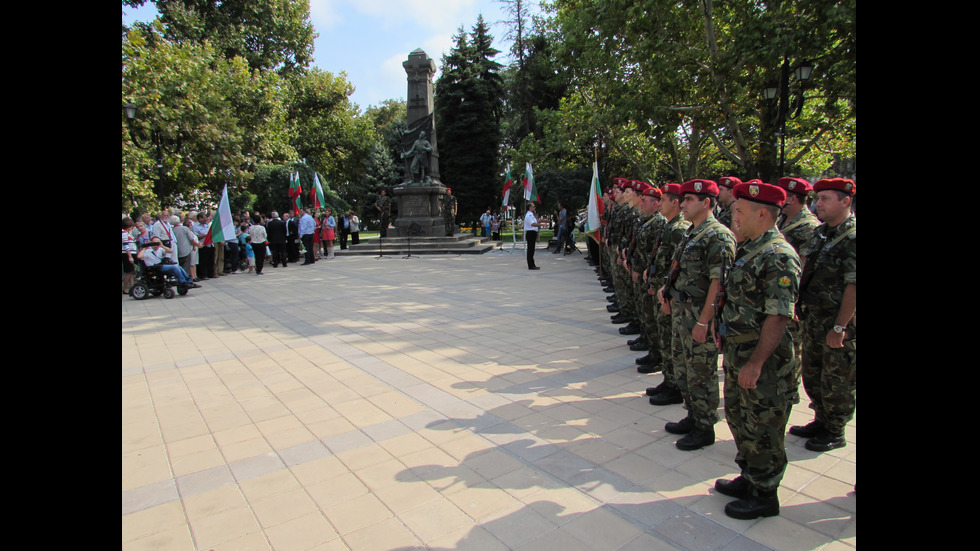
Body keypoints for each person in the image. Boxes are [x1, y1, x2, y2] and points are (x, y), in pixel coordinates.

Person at [714, 181, 801, 520]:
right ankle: (749, 475)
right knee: (739, 418)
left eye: (739, 211)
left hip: (764, 363)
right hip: (739, 355)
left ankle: (765, 493)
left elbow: (779, 316)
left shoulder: (778, 255)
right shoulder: (749, 248)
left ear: (762, 213)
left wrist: (756, 363)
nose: (732, 216)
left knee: (764, 427)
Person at [656, 179, 736, 451]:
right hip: (682, 311)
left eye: (689, 199)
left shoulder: (718, 236)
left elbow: (718, 282)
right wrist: (667, 291)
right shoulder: (692, 232)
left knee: (701, 371)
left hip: (699, 315)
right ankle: (692, 414)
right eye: (684, 199)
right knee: (684, 367)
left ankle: (705, 426)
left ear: (707, 203)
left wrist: (705, 321)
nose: (684, 204)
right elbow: (679, 268)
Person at [789, 178, 856, 453]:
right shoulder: (822, 233)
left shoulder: (851, 237)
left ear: (845, 201)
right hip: (814, 318)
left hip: (839, 322)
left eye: (826, 198)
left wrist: (839, 327)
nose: (818, 204)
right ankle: (820, 418)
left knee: (837, 378)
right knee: (813, 373)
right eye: (817, 198)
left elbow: (853, 285)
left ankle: (835, 429)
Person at [645, 184, 691, 404]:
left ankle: (674, 385)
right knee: (665, 339)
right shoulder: (670, 226)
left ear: (675, 203)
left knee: (669, 340)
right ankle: (668, 379)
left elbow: (675, 266)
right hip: (662, 290)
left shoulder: (679, 228)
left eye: (663, 200)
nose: (659, 203)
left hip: (669, 294)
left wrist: (666, 290)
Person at [775, 177, 820, 252]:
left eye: (781, 196)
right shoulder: (781, 218)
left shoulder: (810, 227)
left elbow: (804, 261)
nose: (777, 200)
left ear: (792, 199)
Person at [193, 212, 215, 280]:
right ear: (199, 218)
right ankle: (203, 274)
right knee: (203, 261)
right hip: (202, 245)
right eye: (204, 218)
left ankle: (210, 273)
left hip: (210, 244)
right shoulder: (195, 226)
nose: (205, 219)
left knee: (210, 260)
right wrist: (205, 235)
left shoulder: (207, 225)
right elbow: (196, 236)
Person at [523, 202, 545, 270]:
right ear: (530, 208)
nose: (534, 208)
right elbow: (533, 224)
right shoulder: (529, 215)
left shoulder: (531, 215)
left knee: (532, 249)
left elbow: (535, 221)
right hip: (531, 233)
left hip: (532, 233)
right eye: (533, 206)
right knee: (530, 249)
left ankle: (532, 264)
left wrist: (542, 221)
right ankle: (531, 265)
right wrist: (541, 225)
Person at [122, 217, 138, 294]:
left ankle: (132, 286)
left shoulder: (126, 233)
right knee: (128, 271)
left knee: (131, 271)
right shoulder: (124, 233)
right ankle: (125, 288)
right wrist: (130, 256)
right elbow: (125, 246)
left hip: (131, 253)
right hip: (127, 254)